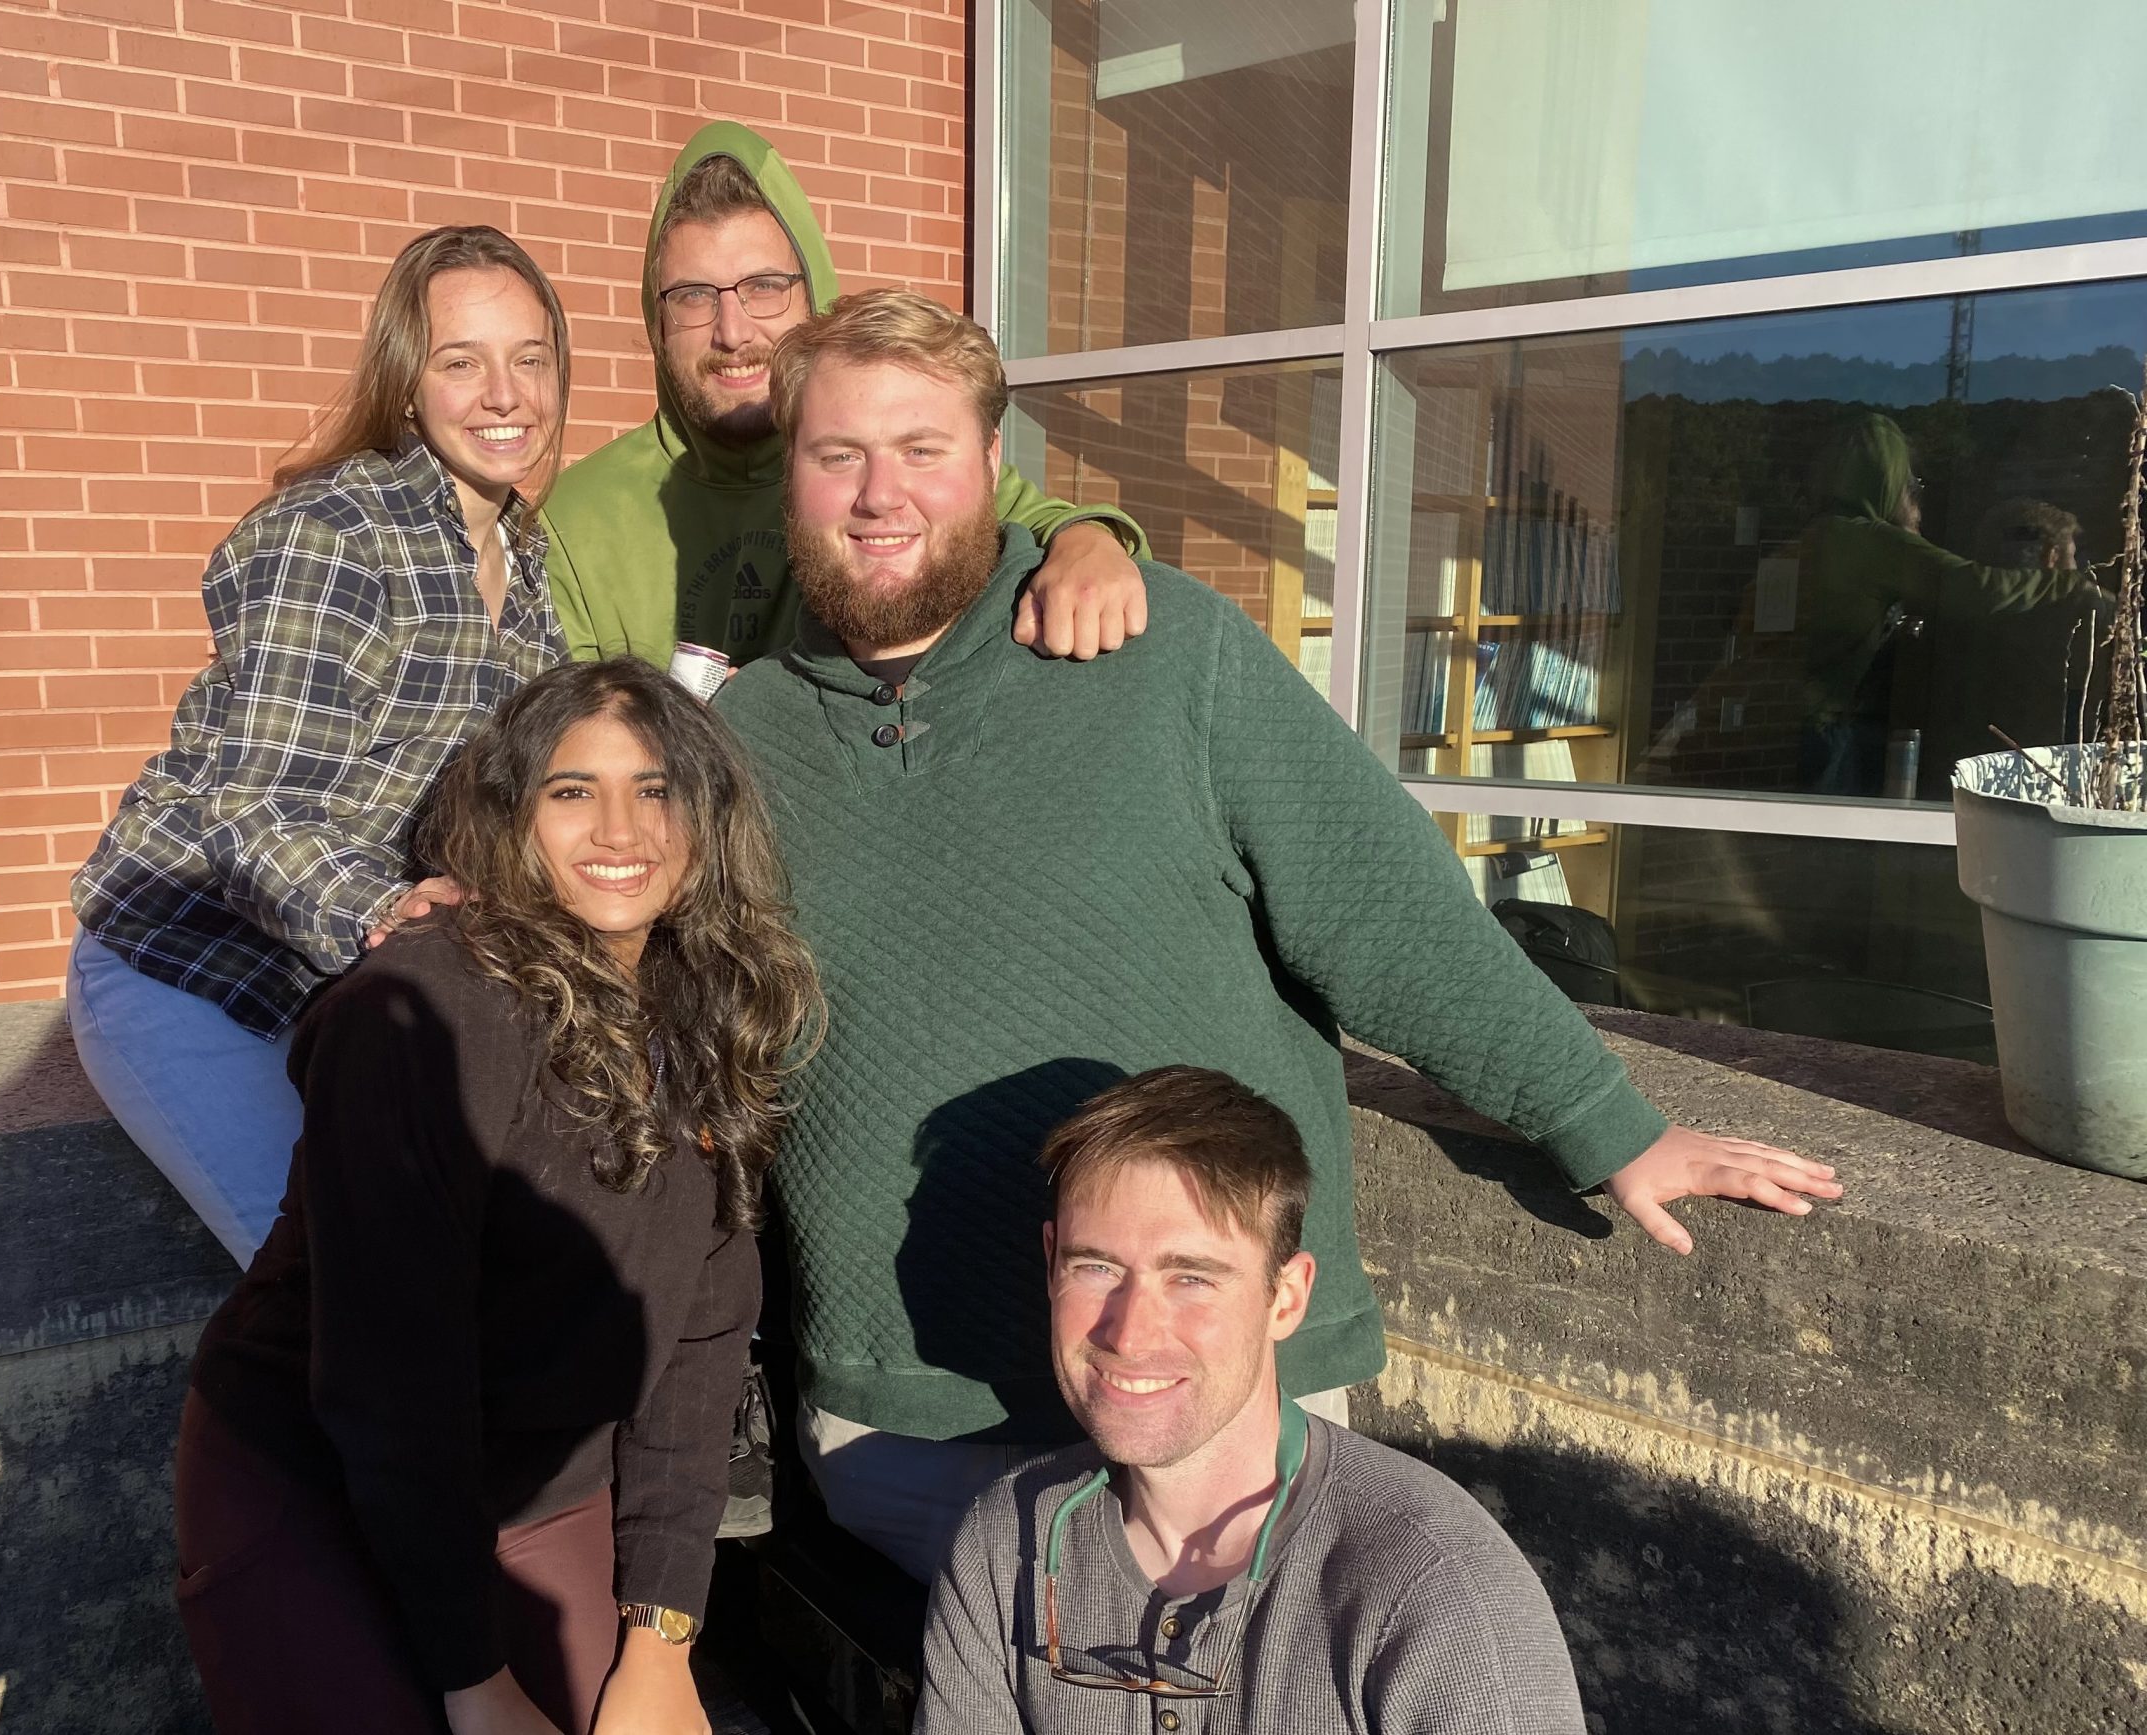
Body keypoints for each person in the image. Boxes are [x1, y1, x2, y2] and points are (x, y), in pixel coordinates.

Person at [713, 288, 1842, 1583]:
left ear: (992, 469)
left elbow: (1385, 908)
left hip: (1217, 1397)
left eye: (923, 450)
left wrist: (1609, 1120)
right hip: (906, 1419)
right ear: (787, 477)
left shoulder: (1161, 649)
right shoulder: (745, 737)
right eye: (837, 454)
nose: (880, 494)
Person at [170, 657, 822, 1735]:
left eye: (655, 789)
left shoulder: (708, 1005)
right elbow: (391, 1382)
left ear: (708, 820)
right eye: (571, 791)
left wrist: (661, 1641)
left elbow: (700, 1341)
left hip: (543, 1485)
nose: (620, 829)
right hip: (327, 1476)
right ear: (510, 817)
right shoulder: (431, 1006)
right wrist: (476, 1681)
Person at [67, 226, 570, 1264]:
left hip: (352, 979)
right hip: (194, 967)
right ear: (404, 380)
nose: (505, 394)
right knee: (339, 1286)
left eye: (530, 357)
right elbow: (252, 807)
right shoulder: (336, 532)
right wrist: (386, 907)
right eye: (461, 361)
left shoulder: (521, 560)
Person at [917, 1067, 1586, 1733]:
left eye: (1191, 1277)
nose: (1129, 1332)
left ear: (1286, 1297)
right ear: (1050, 1261)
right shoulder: (1006, 1543)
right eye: (1096, 1267)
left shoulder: (1438, 1592)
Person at [539, 120, 1150, 669]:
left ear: (815, 296)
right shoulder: (573, 523)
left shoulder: (885, 467)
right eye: (694, 296)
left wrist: (1088, 542)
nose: (732, 331)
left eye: (765, 286)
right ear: (656, 321)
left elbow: (1035, 518)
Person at [1795, 413, 2106, 796]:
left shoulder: (1820, 536)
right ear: (1885, 481)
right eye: (1909, 484)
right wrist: (2073, 586)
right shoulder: (1868, 542)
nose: (1914, 495)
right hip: (1821, 728)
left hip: (1793, 725)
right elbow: (1972, 588)